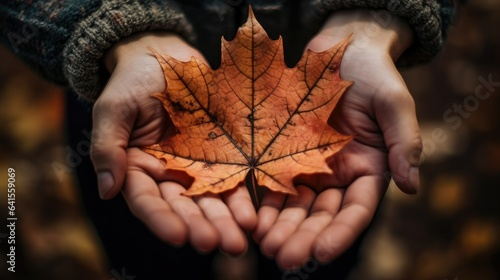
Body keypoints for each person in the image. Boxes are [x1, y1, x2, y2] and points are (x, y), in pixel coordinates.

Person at [1, 0, 456, 278]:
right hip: (131, 102)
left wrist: (378, 16)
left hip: (339, 126)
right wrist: (112, 27)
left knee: (314, 262)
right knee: (151, 260)